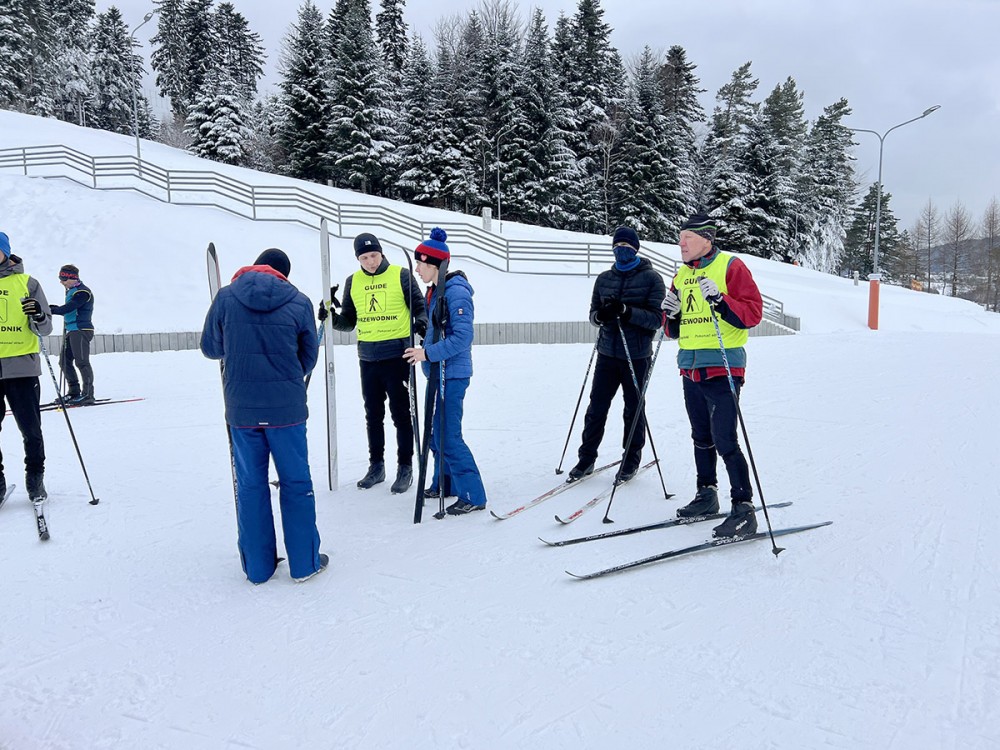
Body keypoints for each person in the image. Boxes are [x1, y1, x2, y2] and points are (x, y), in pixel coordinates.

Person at [201, 248, 327, 584]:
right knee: (296, 483)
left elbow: (211, 348)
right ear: (284, 273)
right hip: (286, 410)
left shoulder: (226, 298)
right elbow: (309, 357)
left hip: (243, 411)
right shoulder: (299, 302)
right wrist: (285, 376)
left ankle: (258, 567)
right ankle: (304, 563)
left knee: (251, 486)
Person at [661, 213, 763, 538]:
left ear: (706, 238)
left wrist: (720, 300)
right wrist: (670, 316)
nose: (681, 244)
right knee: (700, 437)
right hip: (690, 367)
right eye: (680, 238)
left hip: (723, 366)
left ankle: (744, 508)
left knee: (725, 440)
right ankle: (707, 495)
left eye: (687, 238)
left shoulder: (731, 267)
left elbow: (753, 313)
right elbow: (674, 329)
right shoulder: (681, 275)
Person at [319, 232, 427, 493]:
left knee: (402, 415)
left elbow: (420, 305)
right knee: (373, 415)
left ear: (381, 253)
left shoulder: (401, 275)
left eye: (374, 255)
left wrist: (421, 323)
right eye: (364, 257)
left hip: (398, 356)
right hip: (368, 358)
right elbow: (349, 322)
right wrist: (331, 317)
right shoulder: (352, 281)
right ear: (358, 258)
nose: (370, 261)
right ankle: (376, 466)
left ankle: (405, 468)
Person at [567, 226, 666, 484]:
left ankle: (631, 459)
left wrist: (626, 311)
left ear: (635, 249)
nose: (621, 251)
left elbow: (657, 319)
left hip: (637, 355)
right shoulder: (604, 279)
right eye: (617, 247)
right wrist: (601, 316)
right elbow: (593, 315)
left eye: (626, 247)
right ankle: (586, 458)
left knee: (633, 409)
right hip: (607, 352)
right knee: (596, 407)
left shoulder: (652, 279)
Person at [402, 228, 487, 515]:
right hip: (438, 372)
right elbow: (442, 329)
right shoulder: (434, 291)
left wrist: (426, 352)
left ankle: (472, 494)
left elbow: (462, 338)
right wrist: (426, 335)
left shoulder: (457, 292)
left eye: (421, 264)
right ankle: (444, 482)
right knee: (437, 433)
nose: (417, 269)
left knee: (449, 435)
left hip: (452, 374)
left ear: (436, 264)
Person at [0, 231, 54, 503]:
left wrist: (39, 314)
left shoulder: (27, 283)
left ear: (5, 252)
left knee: (31, 430)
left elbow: (45, 328)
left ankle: (35, 479)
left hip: (22, 369)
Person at [49, 264, 96, 405]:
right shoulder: (72, 290)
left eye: (63, 278)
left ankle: (88, 394)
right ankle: (73, 391)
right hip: (72, 330)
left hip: (81, 330)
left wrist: (50, 310)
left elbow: (70, 307)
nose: (61, 281)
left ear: (72, 277)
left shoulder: (82, 292)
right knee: (63, 361)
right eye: (60, 277)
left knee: (81, 362)